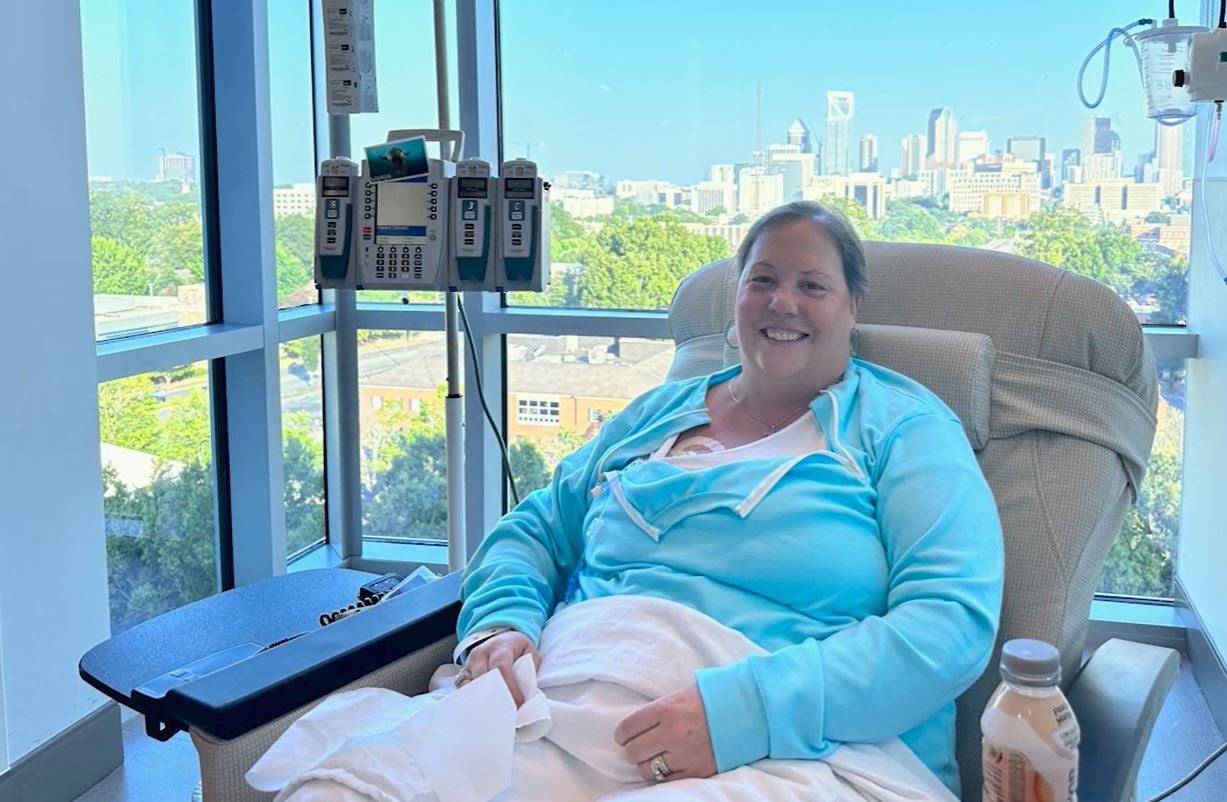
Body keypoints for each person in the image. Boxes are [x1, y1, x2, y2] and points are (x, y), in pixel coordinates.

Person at [453, 200, 1004, 798]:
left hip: (804, 755)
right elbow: (533, 532)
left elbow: (947, 626)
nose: (782, 301)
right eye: (762, 279)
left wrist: (744, 713)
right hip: (563, 706)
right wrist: (500, 624)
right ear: (737, 295)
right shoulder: (653, 416)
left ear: (852, 308)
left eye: (812, 286)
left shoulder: (904, 430)